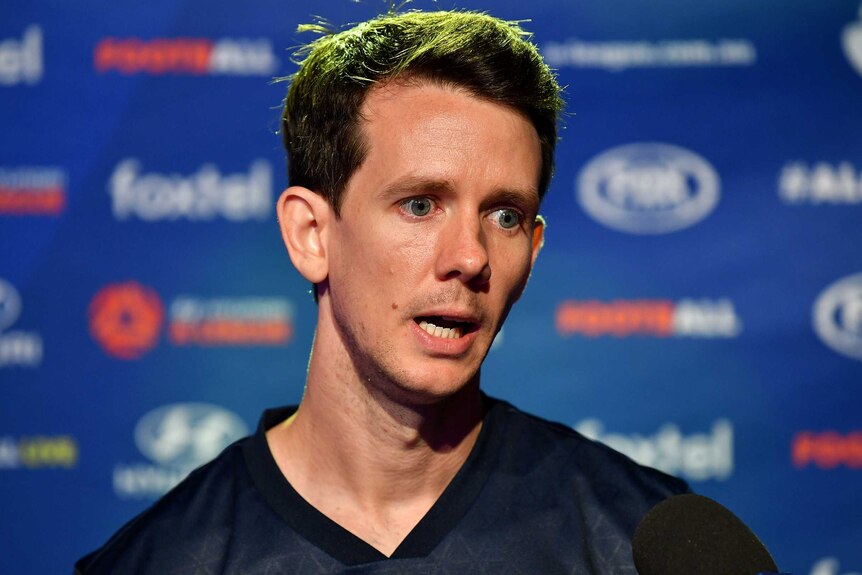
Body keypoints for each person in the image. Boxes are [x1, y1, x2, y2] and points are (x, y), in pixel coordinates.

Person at [75, 9, 688, 573]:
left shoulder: (644, 542)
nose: (471, 257)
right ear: (311, 235)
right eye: (420, 205)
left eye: (505, 216)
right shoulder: (160, 562)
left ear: (533, 249)